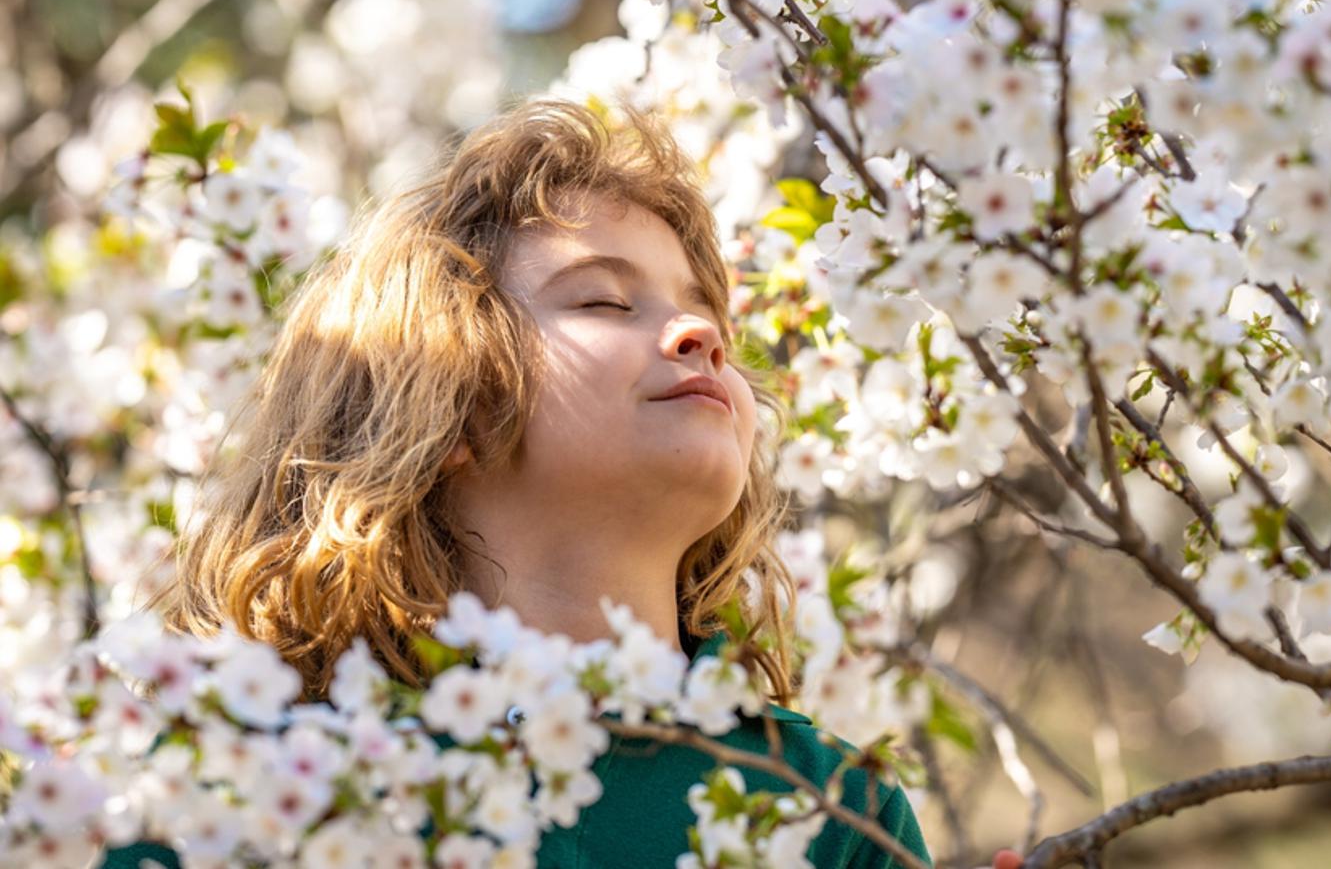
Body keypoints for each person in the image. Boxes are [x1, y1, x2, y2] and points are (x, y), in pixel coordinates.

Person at [97, 99, 933, 867]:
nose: (700, 334)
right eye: (605, 302)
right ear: (447, 406)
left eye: (706, 311)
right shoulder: (244, 786)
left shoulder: (831, 808)